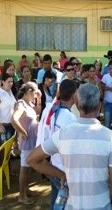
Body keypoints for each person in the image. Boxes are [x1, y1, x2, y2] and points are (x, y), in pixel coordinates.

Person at [27, 83, 112, 209]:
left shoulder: (63, 134)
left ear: (77, 105)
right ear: (100, 106)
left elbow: (32, 159)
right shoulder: (109, 137)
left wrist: (61, 175)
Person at [36, 79, 78, 208]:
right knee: (64, 202)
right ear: (74, 96)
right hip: (64, 170)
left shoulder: (52, 109)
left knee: (56, 197)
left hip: (54, 165)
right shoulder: (70, 119)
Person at [11, 82, 41, 205]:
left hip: (32, 140)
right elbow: (13, 119)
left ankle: (26, 190)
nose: (35, 95)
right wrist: (23, 132)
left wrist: (38, 99)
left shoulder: (29, 103)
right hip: (27, 142)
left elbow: (37, 112)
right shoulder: (21, 104)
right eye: (34, 93)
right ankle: (22, 196)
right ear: (28, 91)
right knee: (24, 168)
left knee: (28, 168)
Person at [0, 73, 17, 143]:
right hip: (4, 125)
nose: (11, 84)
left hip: (12, 123)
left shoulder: (10, 91)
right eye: (8, 82)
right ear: (3, 82)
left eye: (12, 81)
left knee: (10, 146)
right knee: (4, 147)